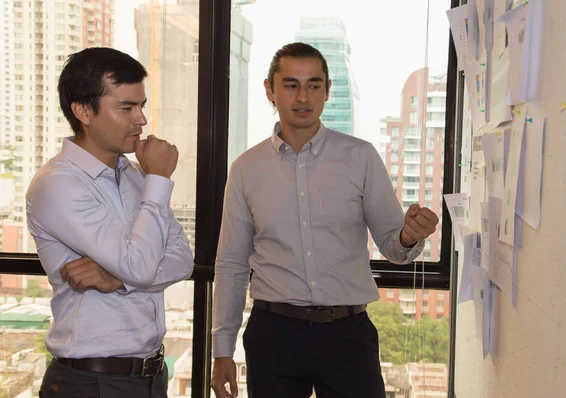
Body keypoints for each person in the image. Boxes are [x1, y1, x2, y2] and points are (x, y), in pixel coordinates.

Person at [210, 42, 440, 398]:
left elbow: (394, 246)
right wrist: (222, 350)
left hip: (347, 333)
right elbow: (231, 265)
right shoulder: (246, 169)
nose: (303, 96)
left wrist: (409, 236)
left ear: (327, 91)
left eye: (314, 85)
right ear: (270, 90)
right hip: (274, 334)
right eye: (290, 85)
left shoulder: (360, 158)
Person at [26, 47, 194, 398]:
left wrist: (116, 280)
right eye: (127, 107)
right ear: (83, 111)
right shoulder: (58, 183)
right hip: (91, 382)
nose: (142, 120)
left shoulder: (134, 177)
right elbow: (140, 265)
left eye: (142, 105)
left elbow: (182, 259)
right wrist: (159, 178)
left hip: (149, 375)